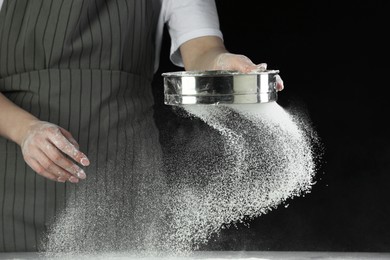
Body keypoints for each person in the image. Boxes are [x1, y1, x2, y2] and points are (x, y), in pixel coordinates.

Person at [0, 0, 284, 252]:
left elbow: (203, 50)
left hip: (126, 177)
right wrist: (25, 130)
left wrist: (222, 64)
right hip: (14, 188)